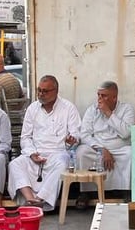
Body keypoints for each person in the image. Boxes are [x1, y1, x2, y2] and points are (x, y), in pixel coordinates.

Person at [8, 75, 81, 211]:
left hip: (57, 152)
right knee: (15, 164)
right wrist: (32, 153)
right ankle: (30, 198)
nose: (41, 94)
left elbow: (76, 134)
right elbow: (25, 137)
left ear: (56, 91)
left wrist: (71, 139)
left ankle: (41, 199)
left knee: (62, 163)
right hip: (35, 152)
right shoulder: (32, 109)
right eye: (39, 90)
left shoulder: (68, 108)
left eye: (45, 91)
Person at [76, 81, 135, 205]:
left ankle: (124, 190)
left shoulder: (126, 109)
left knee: (130, 153)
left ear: (114, 97)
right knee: (81, 152)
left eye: (104, 96)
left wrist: (109, 114)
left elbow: (126, 133)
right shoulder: (92, 110)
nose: (100, 99)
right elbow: (84, 134)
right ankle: (86, 193)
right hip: (98, 149)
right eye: (98, 95)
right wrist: (102, 149)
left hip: (119, 149)